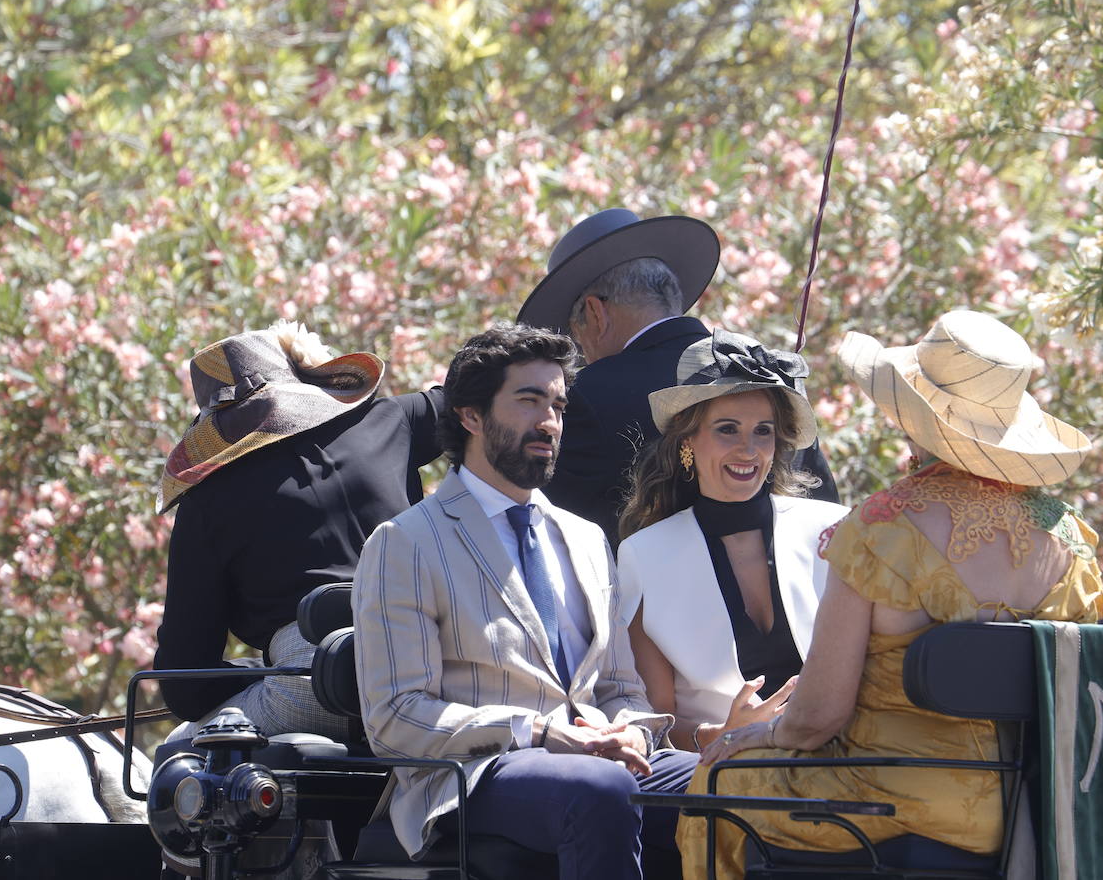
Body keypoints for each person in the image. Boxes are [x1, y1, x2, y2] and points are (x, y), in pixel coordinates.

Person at [677, 310, 1103, 879]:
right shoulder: (1071, 538)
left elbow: (818, 718)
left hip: (881, 804)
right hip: (1028, 810)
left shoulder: (882, 527)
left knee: (716, 781)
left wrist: (763, 732)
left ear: (915, 420)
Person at [353, 322, 698, 880]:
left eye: (558, 405)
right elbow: (395, 716)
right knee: (601, 788)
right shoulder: (406, 542)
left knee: (729, 782)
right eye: (529, 401)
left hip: (596, 761)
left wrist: (631, 730)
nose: (550, 422)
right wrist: (535, 731)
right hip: (475, 773)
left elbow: (619, 688)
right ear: (470, 415)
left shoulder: (587, 539)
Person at [154, 322, 442, 741]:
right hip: (435, 660)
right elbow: (471, 397)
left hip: (320, 691)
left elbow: (185, 686)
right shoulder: (390, 419)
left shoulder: (207, 499)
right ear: (302, 376)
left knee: (179, 752)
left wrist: (263, 671)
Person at [518, 208, 838, 546]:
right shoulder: (766, 371)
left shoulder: (586, 395)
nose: (581, 348)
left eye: (576, 331)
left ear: (596, 313)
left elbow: (549, 535)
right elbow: (824, 514)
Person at [616, 330, 849, 755]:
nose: (748, 449)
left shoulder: (833, 531)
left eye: (763, 431)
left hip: (840, 759)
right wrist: (722, 732)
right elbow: (652, 719)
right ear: (688, 442)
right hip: (724, 770)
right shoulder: (644, 556)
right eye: (727, 429)